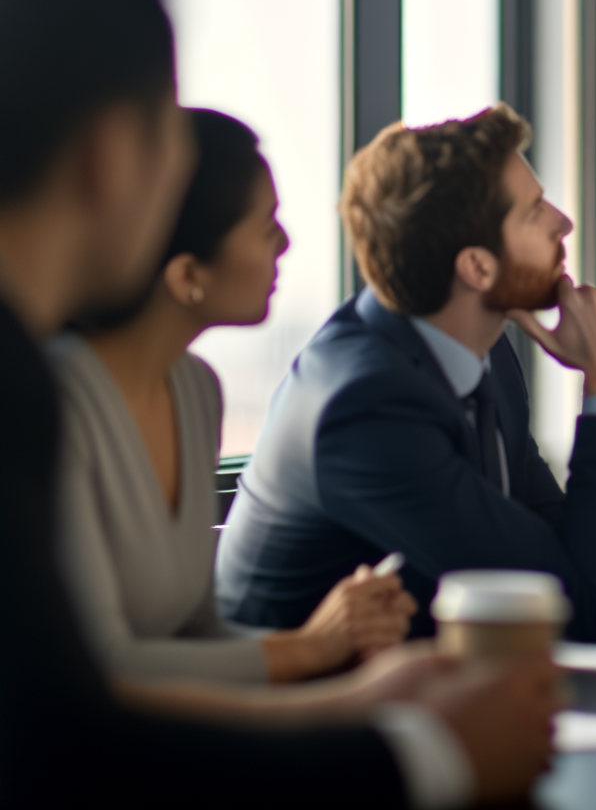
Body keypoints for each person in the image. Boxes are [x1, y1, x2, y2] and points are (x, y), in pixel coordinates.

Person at [0, 0, 558, 807]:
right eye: (166, 130)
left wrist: (364, 701)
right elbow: (69, 739)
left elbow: (124, 686)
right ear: (110, 152)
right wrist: (417, 750)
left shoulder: (178, 388)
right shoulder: (35, 394)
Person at [217, 104, 596, 643]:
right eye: (534, 211)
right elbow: (576, 606)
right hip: (295, 692)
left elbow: (560, 554)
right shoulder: (366, 405)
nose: (563, 223)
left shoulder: (488, 356)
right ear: (476, 266)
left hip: (426, 675)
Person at [57, 109, 415, 685]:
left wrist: (341, 645)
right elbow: (100, 669)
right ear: (186, 275)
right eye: (266, 226)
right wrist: (310, 649)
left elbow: (196, 631)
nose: (286, 242)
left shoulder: (196, 389)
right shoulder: (57, 402)